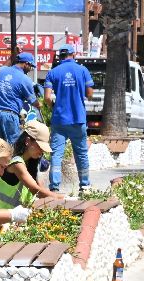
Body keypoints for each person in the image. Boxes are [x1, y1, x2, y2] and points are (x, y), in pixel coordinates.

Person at [43, 43, 94, 193]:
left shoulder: (53, 72)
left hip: (59, 120)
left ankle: (54, 187)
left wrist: (54, 106)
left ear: (60, 56)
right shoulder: (83, 70)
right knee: (81, 153)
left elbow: (47, 97)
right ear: (73, 55)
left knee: (56, 154)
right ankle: (84, 185)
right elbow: (90, 94)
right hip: (78, 118)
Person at [0, 120, 63, 210]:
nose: (42, 151)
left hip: (13, 214)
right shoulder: (17, 163)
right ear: (27, 141)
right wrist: (64, 198)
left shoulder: (31, 161)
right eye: (39, 146)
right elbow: (36, 190)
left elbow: (40, 188)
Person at [0, 53, 39, 145]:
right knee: (13, 147)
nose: (31, 69)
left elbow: (6, 64)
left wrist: (13, 53)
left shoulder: (3, 70)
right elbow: (33, 102)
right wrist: (41, 104)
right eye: (31, 66)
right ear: (26, 64)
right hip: (10, 116)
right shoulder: (25, 79)